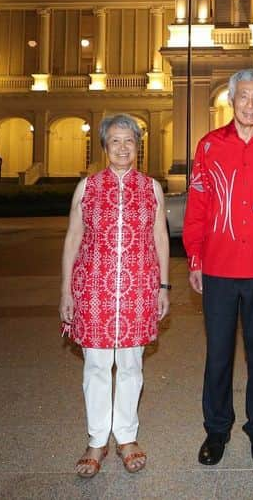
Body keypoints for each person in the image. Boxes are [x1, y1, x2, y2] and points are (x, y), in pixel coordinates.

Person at [184, 68, 253, 467]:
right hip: (218, 264)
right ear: (231, 101)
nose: (250, 105)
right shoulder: (210, 146)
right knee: (218, 354)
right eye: (243, 97)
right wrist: (194, 256)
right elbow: (197, 204)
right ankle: (216, 430)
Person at [59, 114, 170, 478]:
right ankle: (96, 440)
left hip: (138, 288)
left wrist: (164, 287)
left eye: (130, 141)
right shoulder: (87, 187)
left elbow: (160, 239)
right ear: (105, 147)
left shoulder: (151, 187)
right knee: (95, 366)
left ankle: (126, 436)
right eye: (115, 141)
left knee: (130, 366)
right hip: (94, 289)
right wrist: (66, 291)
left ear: (138, 146)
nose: (123, 148)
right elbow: (74, 238)